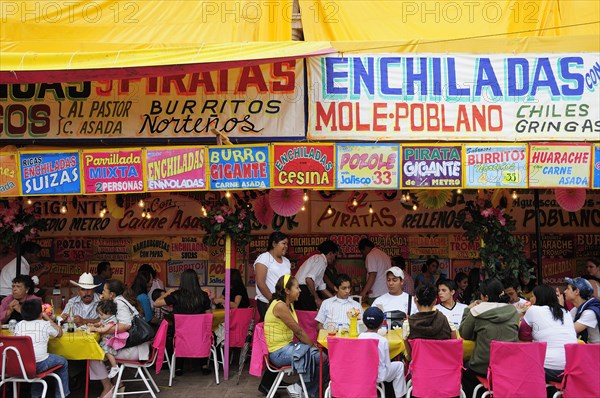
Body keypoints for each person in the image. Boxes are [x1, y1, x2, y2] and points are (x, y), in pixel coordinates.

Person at [264, 274, 328, 398]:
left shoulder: (289, 304)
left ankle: (303, 389)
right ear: (287, 291)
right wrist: (312, 346)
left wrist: (311, 347)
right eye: (297, 288)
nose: (300, 290)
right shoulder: (280, 306)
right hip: (279, 353)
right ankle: (303, 389)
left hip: (287, 347)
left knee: (321, 357)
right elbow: (298, 332)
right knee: (322, 357)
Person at [90, 279, 152, 398]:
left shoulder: (118, 303)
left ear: (111, 294)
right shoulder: (119, 300)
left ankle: (108, 387)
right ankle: (118, 384)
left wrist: (102, 329)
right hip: (135, 346)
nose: (102, 293)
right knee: (103, 350)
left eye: (104, 291)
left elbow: (125, 325)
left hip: (134, 350)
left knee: (93, 355)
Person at [459, 278, 519, 397]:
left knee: (464, 369)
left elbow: (464, 333)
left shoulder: (476, 311)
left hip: (482, 367)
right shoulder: (513, 311)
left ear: (485, 297)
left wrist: (467, 310)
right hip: (509, 366)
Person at [154, 268, 212, 376]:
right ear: (196, 280)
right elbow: (209, 316)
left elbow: (156, 303)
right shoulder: (203, 295)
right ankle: (204, 365)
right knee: (202, 335)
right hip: (199, 335)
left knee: (177, 337)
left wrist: (168, 292)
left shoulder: (176, 295)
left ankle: (179, 367)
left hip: (182, 335)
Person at [519, 284, 577, 382]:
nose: (531, 299)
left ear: (538, 298)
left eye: (533, 296)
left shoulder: (533, 310)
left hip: (548, 369)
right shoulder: (565, 312)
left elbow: (523, 336)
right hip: (572, 368)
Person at [15, 299, 70, 398]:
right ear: (40, 314)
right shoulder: (45, 324)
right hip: (39, 364)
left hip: (20, 365)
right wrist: (47, 319)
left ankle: (36, 395)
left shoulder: (19, 325)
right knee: (63, 362)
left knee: (33, 364)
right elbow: (60, 333)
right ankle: (62, 395)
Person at [359, 306, 407, 398]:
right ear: (381, 324)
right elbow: (386, 364)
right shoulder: (382, 340)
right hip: (379, 375)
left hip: (363, 373)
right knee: (400, 366)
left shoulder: (360, 337)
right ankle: (400, 396)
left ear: (364, 322)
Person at [402, 285, 455, 359]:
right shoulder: (446, 320)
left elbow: (410, 356)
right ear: (435, 301)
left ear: (415, 300)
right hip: (444, 367)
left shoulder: (408, 324)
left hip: (420, 368)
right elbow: (453, 348)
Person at [254, 231, 291, 321]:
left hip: (283, 303)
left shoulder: (286, 261)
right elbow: (260, 283)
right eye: (283, 243)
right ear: (274, 244)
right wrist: (273, 301)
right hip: (267, 301)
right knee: (271, 330)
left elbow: (289, 282)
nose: (286, 246)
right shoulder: (264, 258)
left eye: (287, 244)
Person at [294, 240, 337, 310]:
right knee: (309, 316)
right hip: (304, 291)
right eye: (335, 256)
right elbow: (308, 279)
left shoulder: (319, 260)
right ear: (330, 253)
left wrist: (335, 299)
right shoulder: (321, 260)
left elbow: (321, 287)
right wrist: (317, 298)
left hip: (301, 291)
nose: (334, 259)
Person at [89, 299, 122, 379]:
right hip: (106, 340)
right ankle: (108, 366)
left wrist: (95, 329)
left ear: (109, 313)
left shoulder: (112, 320)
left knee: (107, 351)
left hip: (110, 341)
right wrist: (95, 324)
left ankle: (114, 367)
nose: (100, 316)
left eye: (101, 314)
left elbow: (104, 329)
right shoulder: (106, 318)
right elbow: (101, 323)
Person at [561, 277, 599, 343]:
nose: (565, 291)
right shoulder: (575, 310)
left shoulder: (590, 311)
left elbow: (570, 330)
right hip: (590, 348)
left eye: (568, 289)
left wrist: (560, 306)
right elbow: (563, 326)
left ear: (577, 291)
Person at [358, 238, 391, 303]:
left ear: (366, 248)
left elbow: (372, 275)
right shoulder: (385, 255)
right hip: (387, 292)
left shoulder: (371, 255)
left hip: (377, 294)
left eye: (362, 252)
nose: (363, 255)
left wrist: (363, 292)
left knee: (374, 312)